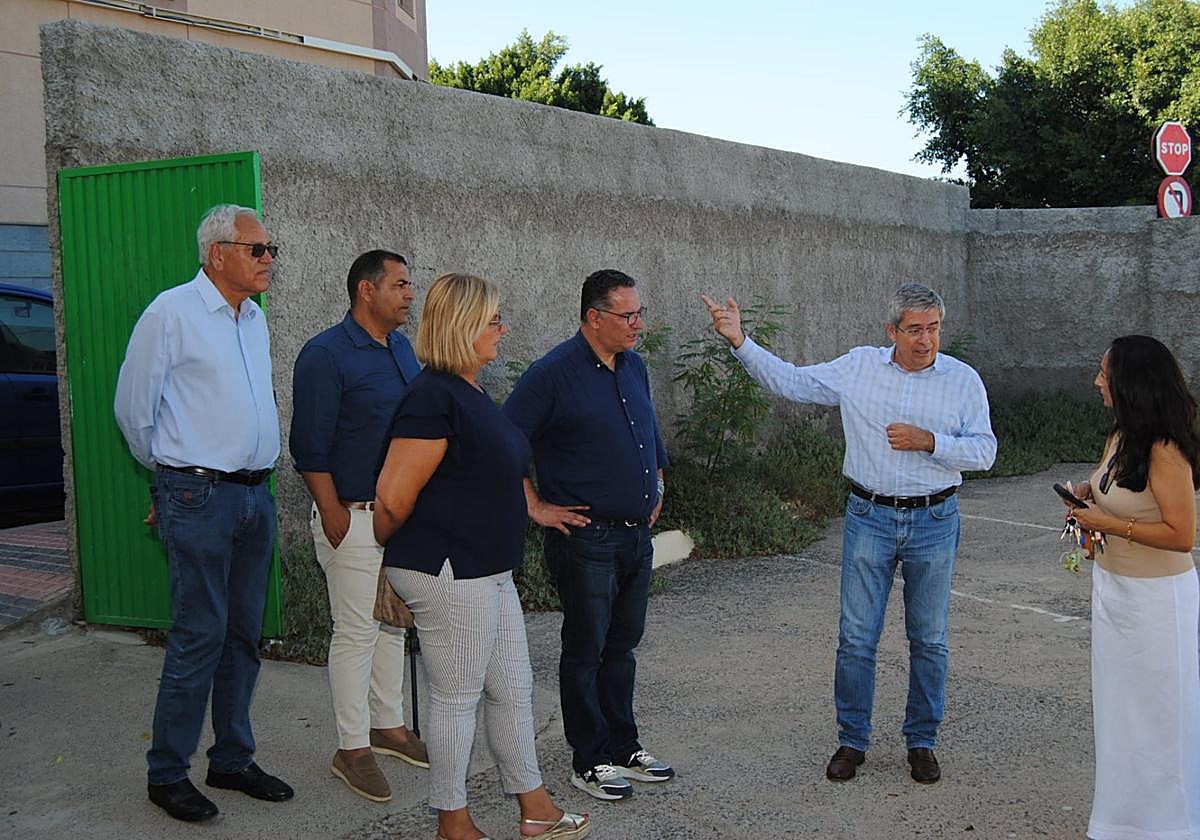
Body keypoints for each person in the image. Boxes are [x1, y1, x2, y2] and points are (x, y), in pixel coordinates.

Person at [701, 282, 997, 785]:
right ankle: (852, 740)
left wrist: (931, 442)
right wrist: (739, 340)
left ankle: (922, 741)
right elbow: (793, 382)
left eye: (934, 329)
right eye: (915, 329)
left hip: (934, 518)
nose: (926, 340)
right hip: (870, 517)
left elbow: (985, 451)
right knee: (857, 637)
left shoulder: (962, 380)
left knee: (929, 639)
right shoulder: (859, 366)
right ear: (892, 330)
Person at [373, 273, 590, 840]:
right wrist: (397, 555)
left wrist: (535, 510)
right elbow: (393, 498)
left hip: (486, 567)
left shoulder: (468, 390)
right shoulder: (431, 397)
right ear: (463, 326)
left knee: (513, 688)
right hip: (450, 569)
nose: (504, 328)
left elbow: (496, 467)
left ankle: (536, 808)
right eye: (494, 319)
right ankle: (453, 822)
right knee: (456, 699)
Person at [114, 204, 292, 822]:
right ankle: (167, 772)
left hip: (253, 494)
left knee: (243, 633)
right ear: (217, 253)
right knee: (200, 633)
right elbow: (133, 410)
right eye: (258, 249)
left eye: (271, 249)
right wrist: (170, 479)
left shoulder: (253, 320)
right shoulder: (172, 313)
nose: (269, 259)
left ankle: (232, 759)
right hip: (198, 493)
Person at [503, 269, 674, 802]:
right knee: (586, 650)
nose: (638, 325)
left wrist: (658, 480)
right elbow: (504, 441)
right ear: (593, 318)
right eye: (628, 316)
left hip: (634, 538)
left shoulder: (634, 367)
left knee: (623, 647)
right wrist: (534, 504)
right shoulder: (552, 373)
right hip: (587, 540)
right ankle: (590, 758)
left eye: (639, 313)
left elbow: (646, 430)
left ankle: (624, 746)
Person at [290, 249, 429, 803]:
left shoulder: (400, 348)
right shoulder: (325, 354)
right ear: (366, 291)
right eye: (400, 285)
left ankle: (388, 726)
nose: (409, 295)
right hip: (353, 516)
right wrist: (334, 515)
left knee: (391, 624)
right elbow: (309, 445)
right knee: (355, 632)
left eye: (410, 285)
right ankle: (352, 749)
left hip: (399, 516)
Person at [1062, 335, 1200, 840]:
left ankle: (1171, 825)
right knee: (1123, 719)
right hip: (1115, 593)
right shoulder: (1122, 436)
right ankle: (1125, 823)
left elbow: (1182, 536)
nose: (1097, 380)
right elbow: (1115, 494)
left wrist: (1110, 523)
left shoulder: (1166, 449)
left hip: (1157, 605)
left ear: (1131, 383)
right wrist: (1086, 497)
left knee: (1161, 719)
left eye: (1105, 373)